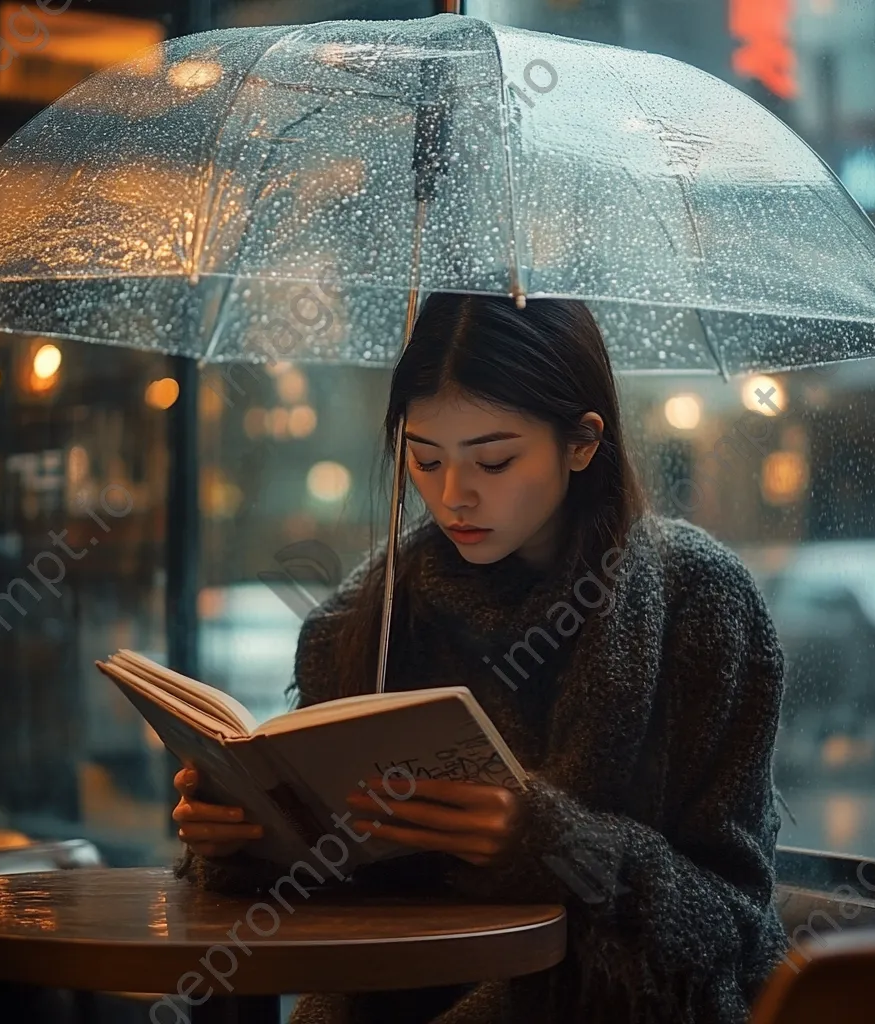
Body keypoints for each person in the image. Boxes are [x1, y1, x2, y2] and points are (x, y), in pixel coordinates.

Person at [173, 293, 789, 1023]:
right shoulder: (376, 608)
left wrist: (547, 843)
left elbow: (739, 929)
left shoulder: (701, 603)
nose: (453, 496)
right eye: (424, 459)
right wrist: (246, 835)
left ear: (583, 442)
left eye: (494, 461)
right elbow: (338, 887)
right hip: (389, 991)